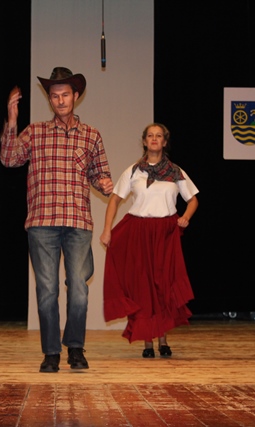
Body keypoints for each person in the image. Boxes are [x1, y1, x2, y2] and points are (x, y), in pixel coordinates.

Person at [1, 67, 113, 372]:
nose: (60, 100)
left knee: (78, 288)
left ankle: (75, 348)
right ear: (49, 99)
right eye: (54, 96)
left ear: (76, 96)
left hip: (77, 222)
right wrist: (12, 120)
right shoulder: (35, 131)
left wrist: (103, 182)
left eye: (65, 95)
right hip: (42, 222)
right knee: (47, 290)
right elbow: (9, 159)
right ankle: (51, 352)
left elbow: (100, 173)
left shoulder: (91, 135)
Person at [101, 123, 198, 358]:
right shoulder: (134, 171)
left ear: (164, 142)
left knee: (164, 285)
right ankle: (147, 343)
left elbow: (193, 199)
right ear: (144, 141)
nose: (154, 139)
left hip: (165, 233)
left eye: (159, 136)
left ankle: (163, 340)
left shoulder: (175, 172)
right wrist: (107, 230)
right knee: (143, 286)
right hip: (139, 233)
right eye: (150, 136)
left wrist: (186, 216)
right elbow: (115, 199)